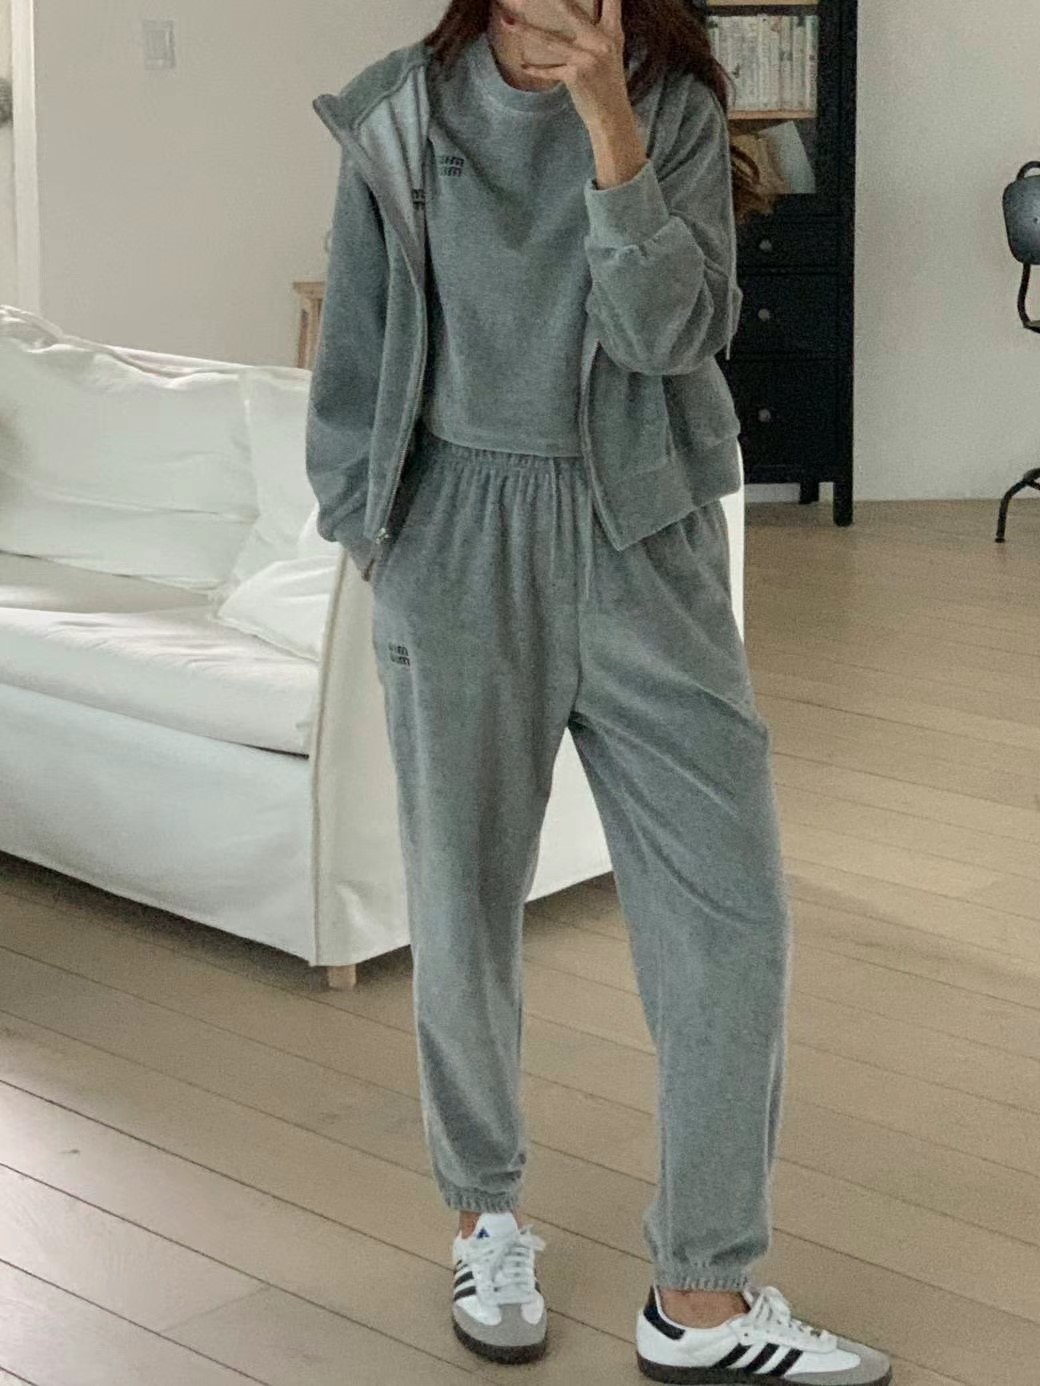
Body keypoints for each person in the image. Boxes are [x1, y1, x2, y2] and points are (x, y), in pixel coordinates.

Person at [307, 1, 891, 1381]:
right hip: (458, 543)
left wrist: (613, 131)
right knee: (462, 904)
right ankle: (484, 1214)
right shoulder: (398, 112)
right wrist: (377, 532)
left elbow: (673, 331)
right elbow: (356, 353)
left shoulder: (673, 100)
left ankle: (700, 1291)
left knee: (731, 909)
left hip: (644, 540)